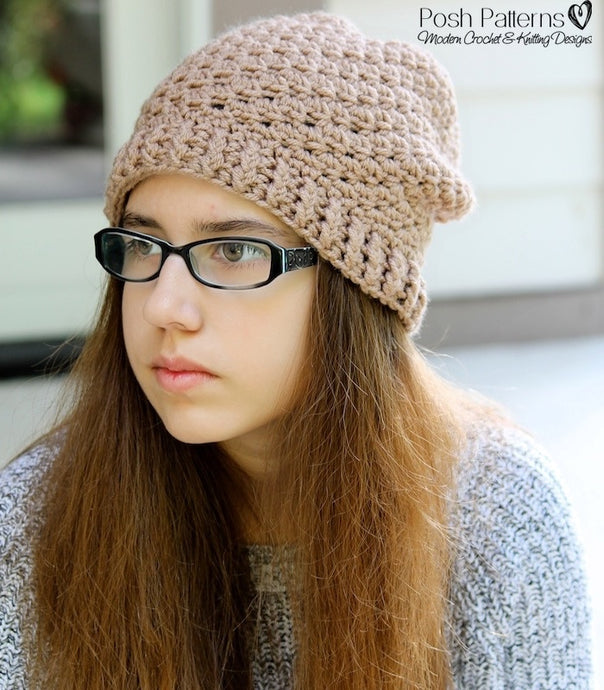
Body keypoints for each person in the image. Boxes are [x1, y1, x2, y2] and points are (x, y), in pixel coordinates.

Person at [0, 11, 592, 690]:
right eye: (143, 244)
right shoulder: (35, 524)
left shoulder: (494, 523)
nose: (164, 306)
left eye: (233, 250)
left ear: (357, 290)